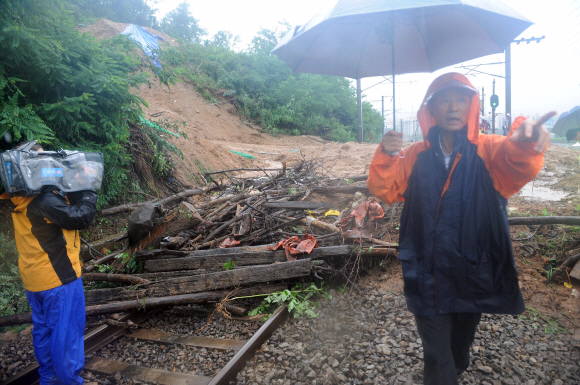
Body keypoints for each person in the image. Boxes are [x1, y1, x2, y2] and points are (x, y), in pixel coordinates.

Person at [367, 72, 556, 385]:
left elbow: (517, 161)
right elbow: (383, 188)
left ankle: (459, 357)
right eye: (444, 100)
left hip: (472, 268)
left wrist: (524, 143)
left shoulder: (489, 150)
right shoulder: (414, 155)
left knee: (459, 342)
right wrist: (387, 154)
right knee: (437, 357)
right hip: (425, 267)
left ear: (472, 106)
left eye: (461, 100)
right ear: (432, 109)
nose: (453, 107)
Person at [1, 143, 98, 385]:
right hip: (58, 280)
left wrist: (75, 183)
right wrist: (89, 188)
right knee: (66, 337)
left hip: (35, 281)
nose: (51, 164)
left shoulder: (22, 196)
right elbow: (80, 217)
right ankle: (69, 382)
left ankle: (49, 379)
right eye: (44, 159)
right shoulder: (45, 201)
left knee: (44, 332)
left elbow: (64, 202)